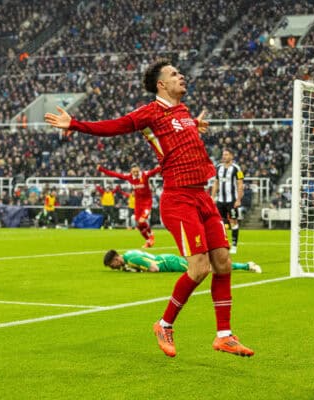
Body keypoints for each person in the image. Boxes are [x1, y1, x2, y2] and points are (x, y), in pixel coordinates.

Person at [45, 59, 254, 357]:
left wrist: (194, 125)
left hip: (202, 196)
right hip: (179, 199)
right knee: (199, 268)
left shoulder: (183, 111)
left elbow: (177, 135)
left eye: (180, 72)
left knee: (223, 263)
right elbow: (115, 126)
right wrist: (75, 124)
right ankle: (164, 324)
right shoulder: (149, 112)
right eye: (174, 74)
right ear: (161, 84)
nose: (181, 76)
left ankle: (224, 335)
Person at [97, 164, 161, 247]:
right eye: (134, 172)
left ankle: (151, 234)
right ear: (131, 172)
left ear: (139, 170)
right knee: (139, 225)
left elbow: (155, 171)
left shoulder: (145, 175)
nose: (136, 173)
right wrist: (102, 170)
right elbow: (115, 174)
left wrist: (161, 166)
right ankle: (148, 241)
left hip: (147, 202)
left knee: (142, 221)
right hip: (138, 203)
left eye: (137, 171)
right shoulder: (129, 177)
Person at [103, 249, 262, 273]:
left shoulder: (132, 259)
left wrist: (135, 271)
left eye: (113, 265)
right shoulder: (130, 254)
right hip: (167, 259)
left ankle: (247, 265)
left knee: (208, 268)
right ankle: (246, 265)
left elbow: (153, 268)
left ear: (117, 258)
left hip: (169, 263)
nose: (114, 268)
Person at [211, 148, 244, 254]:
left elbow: (240, 184)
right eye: (223, 154)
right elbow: (216, 183)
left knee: (233, 221)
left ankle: (234, 245)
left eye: (226, 154)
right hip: (220, 200)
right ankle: (222, 244)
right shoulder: (218, 167)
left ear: (231, 156)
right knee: (219, 222)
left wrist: (238, 199)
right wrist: (212, 196)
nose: (224, 156)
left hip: (232, 200)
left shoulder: (237, 168)